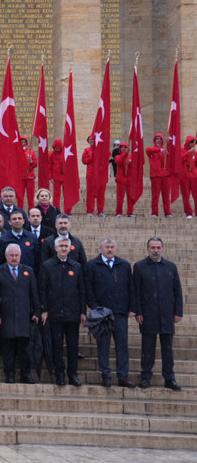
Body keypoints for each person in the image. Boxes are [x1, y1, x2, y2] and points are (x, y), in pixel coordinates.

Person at [85, 237, 136, 388]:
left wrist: (132, 307)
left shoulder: (124, 265)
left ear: (116, 248)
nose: (109, 249)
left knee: (122, 345)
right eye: (107, 247)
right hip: (102, 314)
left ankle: (123, 376)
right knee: (103, 346)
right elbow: (89, 288)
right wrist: (95, 307)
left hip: (120, 312)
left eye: (112, 247)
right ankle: (105, 375)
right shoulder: (92, 265)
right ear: (100, 248)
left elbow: (131, 287)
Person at [133, 237, 183, 390]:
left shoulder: (171, 266)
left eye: (158, 248)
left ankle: (169, 378)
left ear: (162, 248)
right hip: (148, 313)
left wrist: (178, 312)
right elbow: (136, 291)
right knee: (147, 348)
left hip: (167, 313)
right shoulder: (139, 266)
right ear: (148, 249)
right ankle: (146, 376)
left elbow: (177, 290)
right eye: (153, 248)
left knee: (167, 348)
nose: (156, 251)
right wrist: (138, 311)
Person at [38, 236, 86, 386]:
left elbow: (81, 290)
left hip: (72, 313)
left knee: (73, 346)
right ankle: (59, 374)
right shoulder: (47, 265)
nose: (64, 248)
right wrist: (44, 309)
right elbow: (42, 290)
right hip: (55, 313)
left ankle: (73, 374)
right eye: (61, 246)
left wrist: (82, 311)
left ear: (70, 248)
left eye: (66, 246)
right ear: (55, 248)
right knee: (57, 346)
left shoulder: (76, 266)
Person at [0, 244, 40, 384]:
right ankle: (10, 373)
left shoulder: (28, 271)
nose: (14, 258)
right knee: (8, 347)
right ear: (6, 256)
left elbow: (34, 293)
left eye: (16, 255)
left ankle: (25, 373)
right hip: (6, 316)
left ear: (20, 256)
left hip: (24, 315)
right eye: (11, 255)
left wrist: (37, 311)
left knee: (24, 347)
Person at [146, 133, 173, 217]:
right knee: (155, 196)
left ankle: (167, 212)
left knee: (166, 196)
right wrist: (160, 150)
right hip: (155, 176)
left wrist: (169, 145)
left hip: (165, 175)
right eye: (157, 139)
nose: (159, 140)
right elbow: (148, 150)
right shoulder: (151, 150)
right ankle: (154, 213)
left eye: (160, 139)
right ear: (154, 140)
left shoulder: (165, 150)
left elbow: (172, 157)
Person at [81, 134, 105, 216]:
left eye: (92, 139)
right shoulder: (87, 150)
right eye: (90, 139)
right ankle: (89, 211)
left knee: (101, 193)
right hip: (91, 174)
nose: (91, 140)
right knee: (90, 193)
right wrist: (92, 155)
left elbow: (107, 156)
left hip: (100, 174)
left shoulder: (101, 150)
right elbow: (84, 161)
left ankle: (100, 211)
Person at [114, 142, 135, 217]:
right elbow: (119, 162)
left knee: (130, 198)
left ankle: (130, 212)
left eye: (125, 147)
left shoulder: (131, 156)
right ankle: (119, 212)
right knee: (120, 197)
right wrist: (125, 154)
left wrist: (130, 163)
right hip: (121, 180)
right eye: (122, 147)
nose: (123, 149)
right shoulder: (117, 156)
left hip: (129, 180)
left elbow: (134, 167)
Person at [181, 135, 197, 218]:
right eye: (192, 142)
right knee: (186, 196)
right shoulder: (182, 150)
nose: (193, 144)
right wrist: (188, 152)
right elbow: (180, 159)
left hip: (194, 177)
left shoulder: (195, 153)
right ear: (188, 143)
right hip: (185, 177)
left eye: (194, 143)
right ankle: (189, 213)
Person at [20, 137, 37, 210]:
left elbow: (35, 164)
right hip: (21, 177)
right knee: (20, 196)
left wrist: (31, 162)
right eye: (21, 142)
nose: (23, 143)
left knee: (31, 196)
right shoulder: (18, 152)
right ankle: (20, 211)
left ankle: (31, 211)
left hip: (30, 176)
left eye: (24, 142)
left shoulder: (31, 152)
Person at [48, 138, 65, 208]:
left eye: (58, 147)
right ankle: (56, 209)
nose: (57, 149)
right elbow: (49, 166)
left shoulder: (65, 153)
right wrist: (50, 177)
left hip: (65, 177)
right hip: (56, 177)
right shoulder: (51, 154)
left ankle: (68, 210)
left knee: (66, 194)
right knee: (56, 194)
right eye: (56, 147)